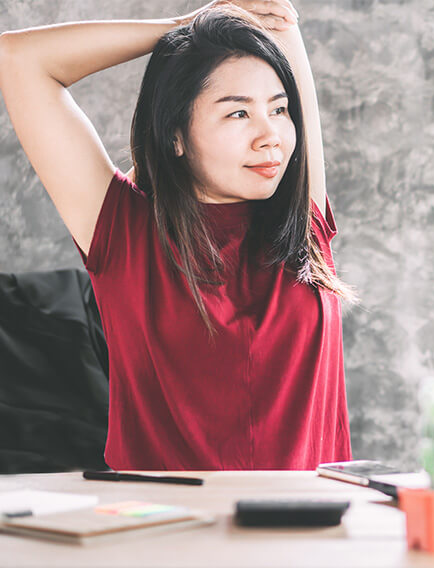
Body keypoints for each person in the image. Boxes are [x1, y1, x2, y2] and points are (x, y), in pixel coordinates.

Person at [0, 1, 360, 470]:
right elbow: (17, 59)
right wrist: (180, 29)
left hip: (312, 531)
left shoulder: (301, 222)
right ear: (176, 136)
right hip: (167, 532)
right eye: (237, 114)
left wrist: (238, 25)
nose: (270, 136)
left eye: (279, 109)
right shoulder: (122, 230)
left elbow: (275, 19)